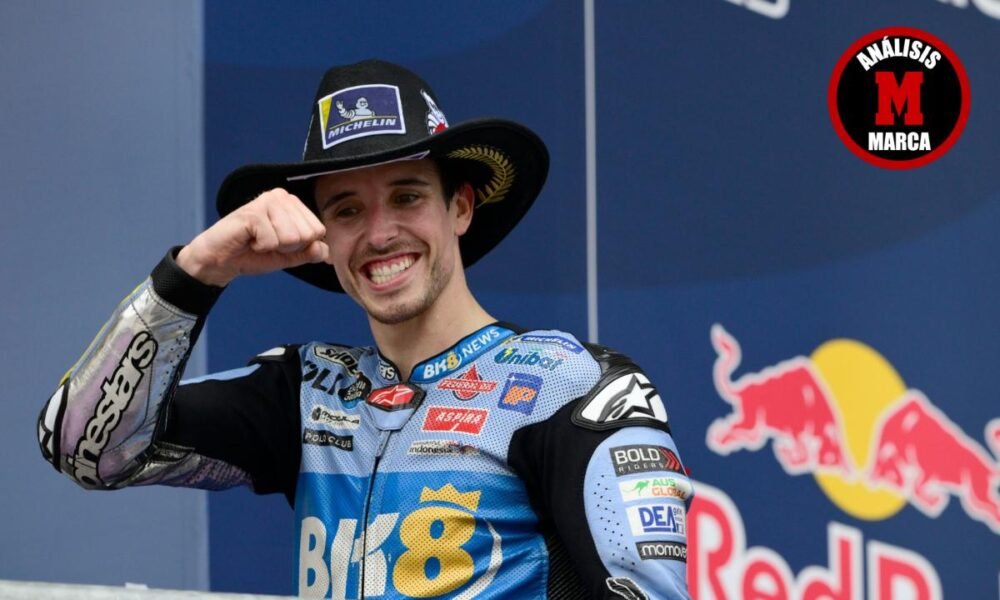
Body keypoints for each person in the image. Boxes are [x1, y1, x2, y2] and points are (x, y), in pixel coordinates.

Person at [37, 59, 693, 600]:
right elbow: (88, 449)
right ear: (321, 234)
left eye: (407, 196)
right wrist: (198, 271)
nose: (380, 234)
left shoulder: (573, 388)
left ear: (461, 207)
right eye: (347, 209)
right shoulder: (306, 390)